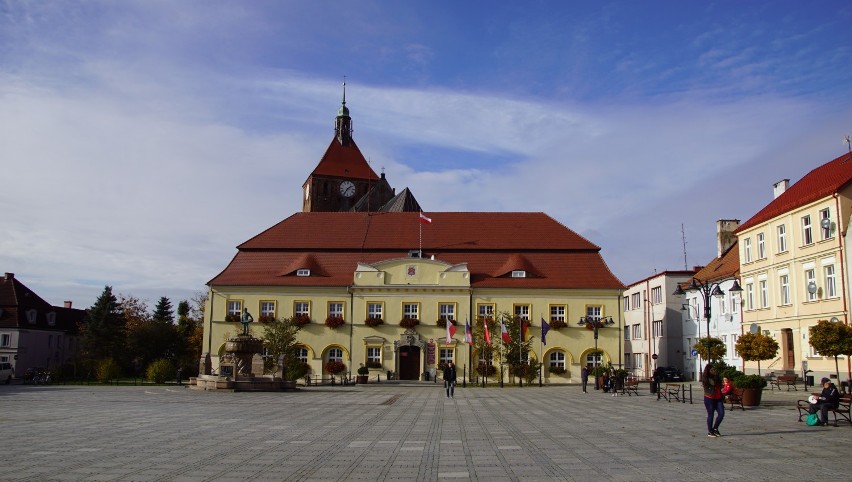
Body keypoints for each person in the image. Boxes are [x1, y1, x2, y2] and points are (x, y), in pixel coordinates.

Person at [702, 364, 724, 437]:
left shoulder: (716, 377)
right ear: (708, 370)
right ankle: (710, 431)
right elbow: (713, 383)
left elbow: (720, 384)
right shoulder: (706, 378)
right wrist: (715, 376)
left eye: (714, 369)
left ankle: (715, 428)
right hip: (709, 398)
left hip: (718, 398)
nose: (714, 371)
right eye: (712, 370)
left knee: (721, 414)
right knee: (711, 414)